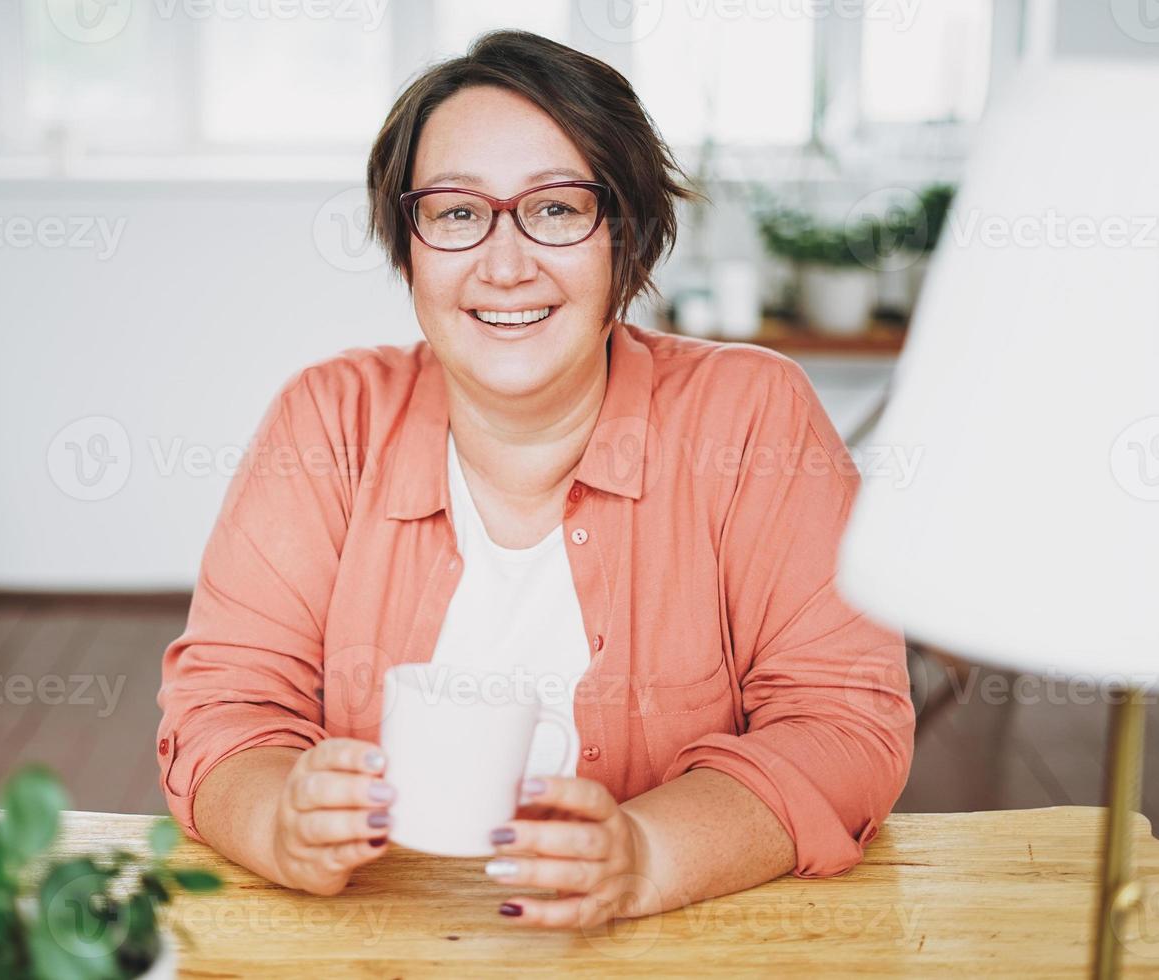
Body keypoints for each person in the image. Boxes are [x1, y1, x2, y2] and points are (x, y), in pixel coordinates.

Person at [156, 30, 914, 928]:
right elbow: (223, 711)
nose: (505, 263)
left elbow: (844, 725)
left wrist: (650, 853)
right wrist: (274, 813)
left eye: (555, 210)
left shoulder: (749, 417)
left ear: (625, 235)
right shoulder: (329, 421)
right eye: (455, 211)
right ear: (410, 242)